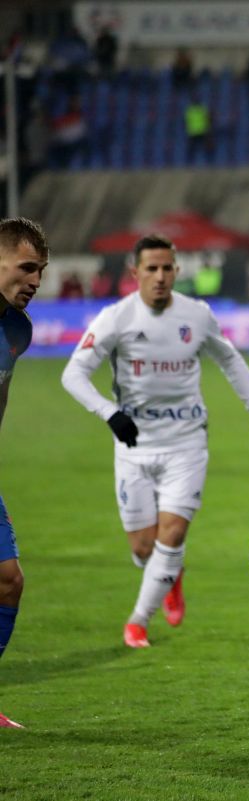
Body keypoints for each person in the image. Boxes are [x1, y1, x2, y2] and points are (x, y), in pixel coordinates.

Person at [61, 234, 249, 649]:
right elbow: (73, 374)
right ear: (135, 272)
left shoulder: (196, 315)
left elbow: (231, 361)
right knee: (145, 548)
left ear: (177, 271)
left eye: (166, 268)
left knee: (172, 535)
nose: (160, 276)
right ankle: (170, 575)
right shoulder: (115, 318)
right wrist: (110, 413)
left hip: (186, 443)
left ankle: (137, 622)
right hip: (134, 447)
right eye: (151, 269)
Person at [0, 218, 48, 730]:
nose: (35, 281)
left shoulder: (17, 331)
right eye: (26, 267)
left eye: (41, 272)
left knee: (8, 581)